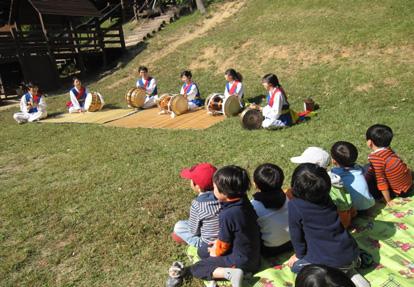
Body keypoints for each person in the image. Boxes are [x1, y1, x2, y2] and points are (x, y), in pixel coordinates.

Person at [166, 165, 261, 287]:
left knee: (198, 268)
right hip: (254, 256)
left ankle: (231, 273)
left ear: (224, 193)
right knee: (203, 251)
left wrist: (214, 251)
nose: (213, 189)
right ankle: (240, 270)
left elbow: (224, 244)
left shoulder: (227, 215)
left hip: (240, 261)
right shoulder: (244, 201)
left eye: (215, 187)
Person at [287, 163, 370, 287]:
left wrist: (298, 255)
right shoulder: (327, 198)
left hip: (330, 266)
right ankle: (351, 269)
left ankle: (348, 274)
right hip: (351, 253)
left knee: (295, 266)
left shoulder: (295, 206)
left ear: (295, 186)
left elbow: (296, 235)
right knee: (342, 262)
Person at [290, 147, 356, 228]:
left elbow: (343, 209)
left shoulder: (330, 186)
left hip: (335, 225)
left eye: (304, 166)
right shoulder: (328, 179)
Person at [171, 163, 221, 248]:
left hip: (209, 244)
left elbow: (194, 231)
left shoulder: (198, 204)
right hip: (226, 237)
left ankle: (197, 247)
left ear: (197, 186)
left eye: (191, 179)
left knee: (179, 226)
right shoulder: (225, 196)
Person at [365, 124, 413, 206]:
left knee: (370, 181)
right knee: (369, 170)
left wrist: (388, 200)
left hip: (399, 191)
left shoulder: (376, 158)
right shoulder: (388, 150)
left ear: (369, 142)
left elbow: (381, 182)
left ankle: (386, 197)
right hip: (408, 185)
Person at [251, 163, 291, 257]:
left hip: (269, 250)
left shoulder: (253, 206)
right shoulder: (288, 197)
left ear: (255, 184)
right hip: (293, 242)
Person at [330, 141, 375, 213]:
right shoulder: (358, 168)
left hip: (352, 210)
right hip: (368, 205)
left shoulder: (334, 174)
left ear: (334, 161)